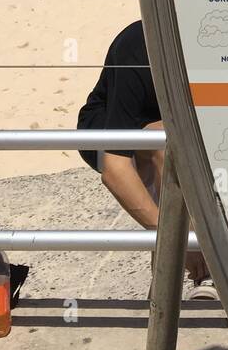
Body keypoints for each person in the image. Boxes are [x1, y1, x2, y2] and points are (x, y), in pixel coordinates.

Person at [77, 22, 211, 294]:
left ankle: (165, 283)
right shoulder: (138, 45)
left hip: (177, 126)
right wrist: (178, 241)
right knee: (168, 142)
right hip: (115, 132)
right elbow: (114, 167)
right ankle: (193, 275)